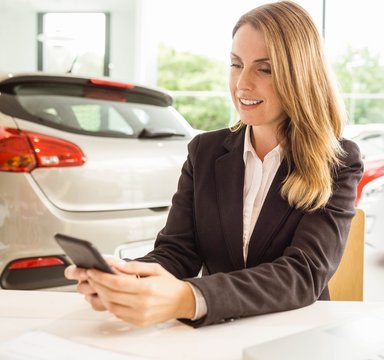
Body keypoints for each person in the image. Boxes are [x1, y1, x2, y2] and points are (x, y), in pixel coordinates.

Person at [65, 0, 363, 328]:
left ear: (300, 75)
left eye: (264, 69)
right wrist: (125, 278)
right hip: (216, 332)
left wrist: (189, 298)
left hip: (294, 334)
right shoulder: (204, 152)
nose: (242, 84)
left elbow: (303, 274)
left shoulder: (338, 161)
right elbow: (177, 253)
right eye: (236, 64)